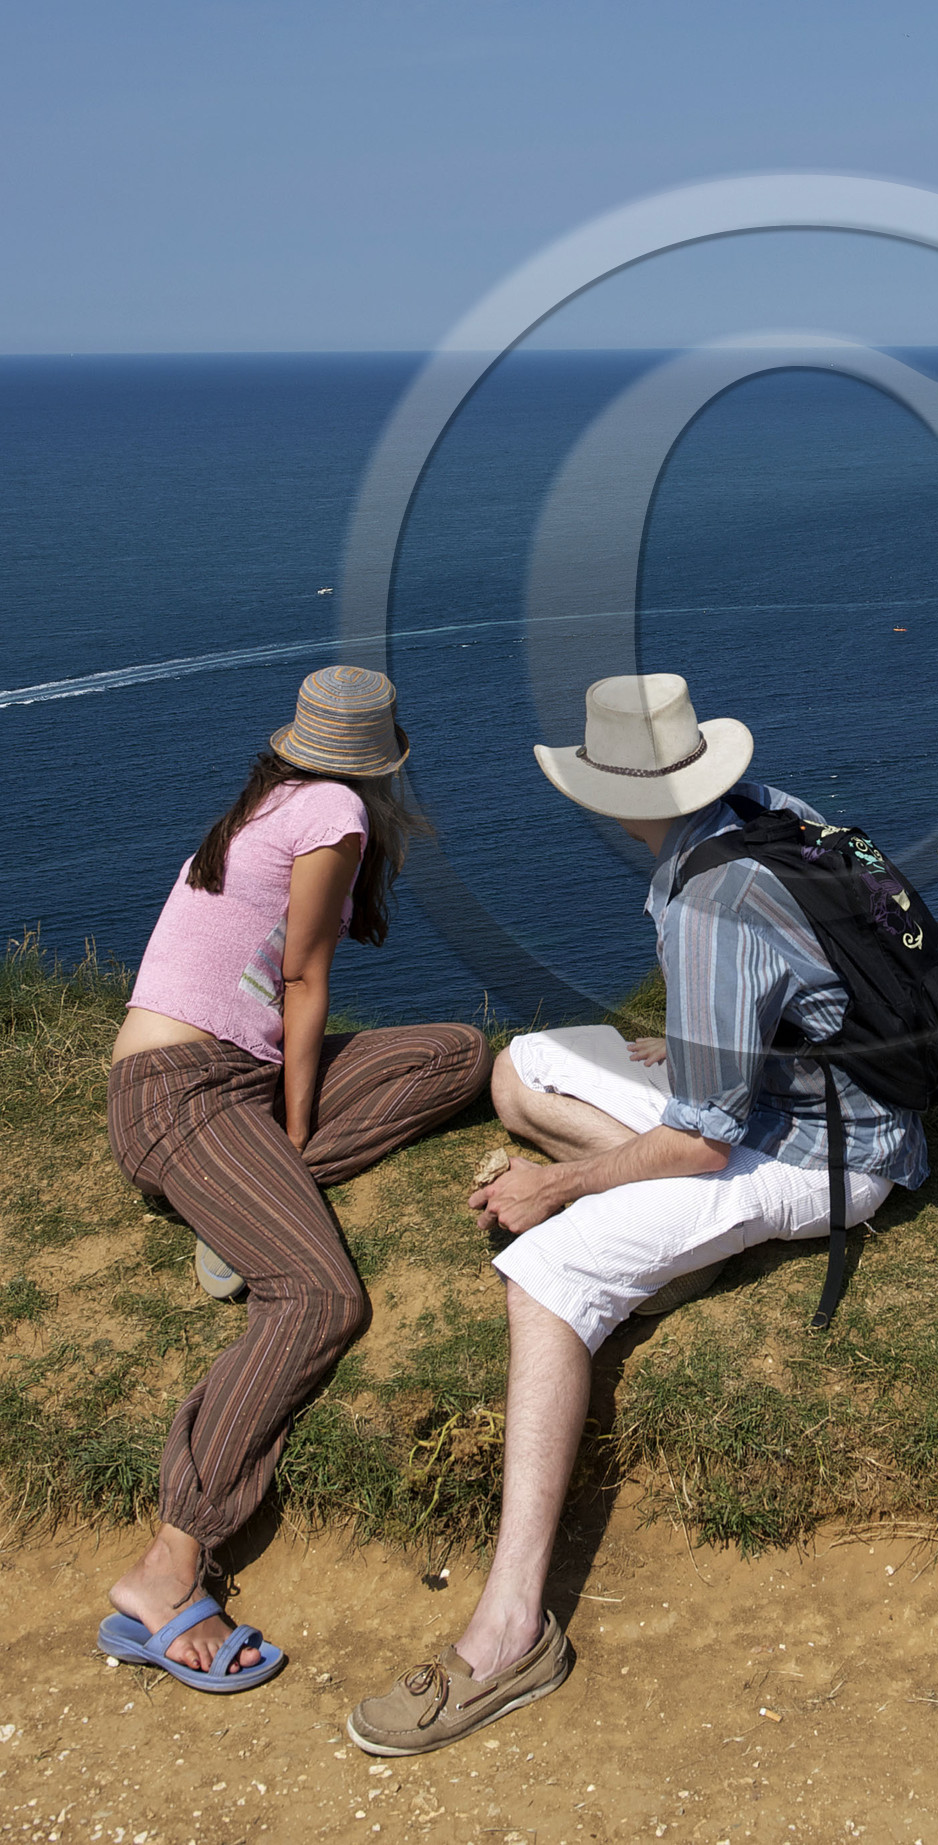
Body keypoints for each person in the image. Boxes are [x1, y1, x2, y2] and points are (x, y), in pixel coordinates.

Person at [346, 671, 928, 1756]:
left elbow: (707, 1137)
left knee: (545, 1273)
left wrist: (552, 1187)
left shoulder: (710, 896)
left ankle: (511, 1631)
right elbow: (807, 979)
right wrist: (714, 1043)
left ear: (611, 791)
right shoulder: (770, 809)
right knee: (521, 1069)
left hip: (818, 1151)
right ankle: (678, 1232)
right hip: (806, 1099)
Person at [100, 666, 491, 1692]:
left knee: (456, 1050)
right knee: (318, 1293)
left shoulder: (267, 802)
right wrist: (299, 1120)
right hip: (179, 1092)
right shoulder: (331, 808)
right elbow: (303, 977)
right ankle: (170, 1558)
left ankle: (247, 1197)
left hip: (222, 1073)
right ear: (377, 759)